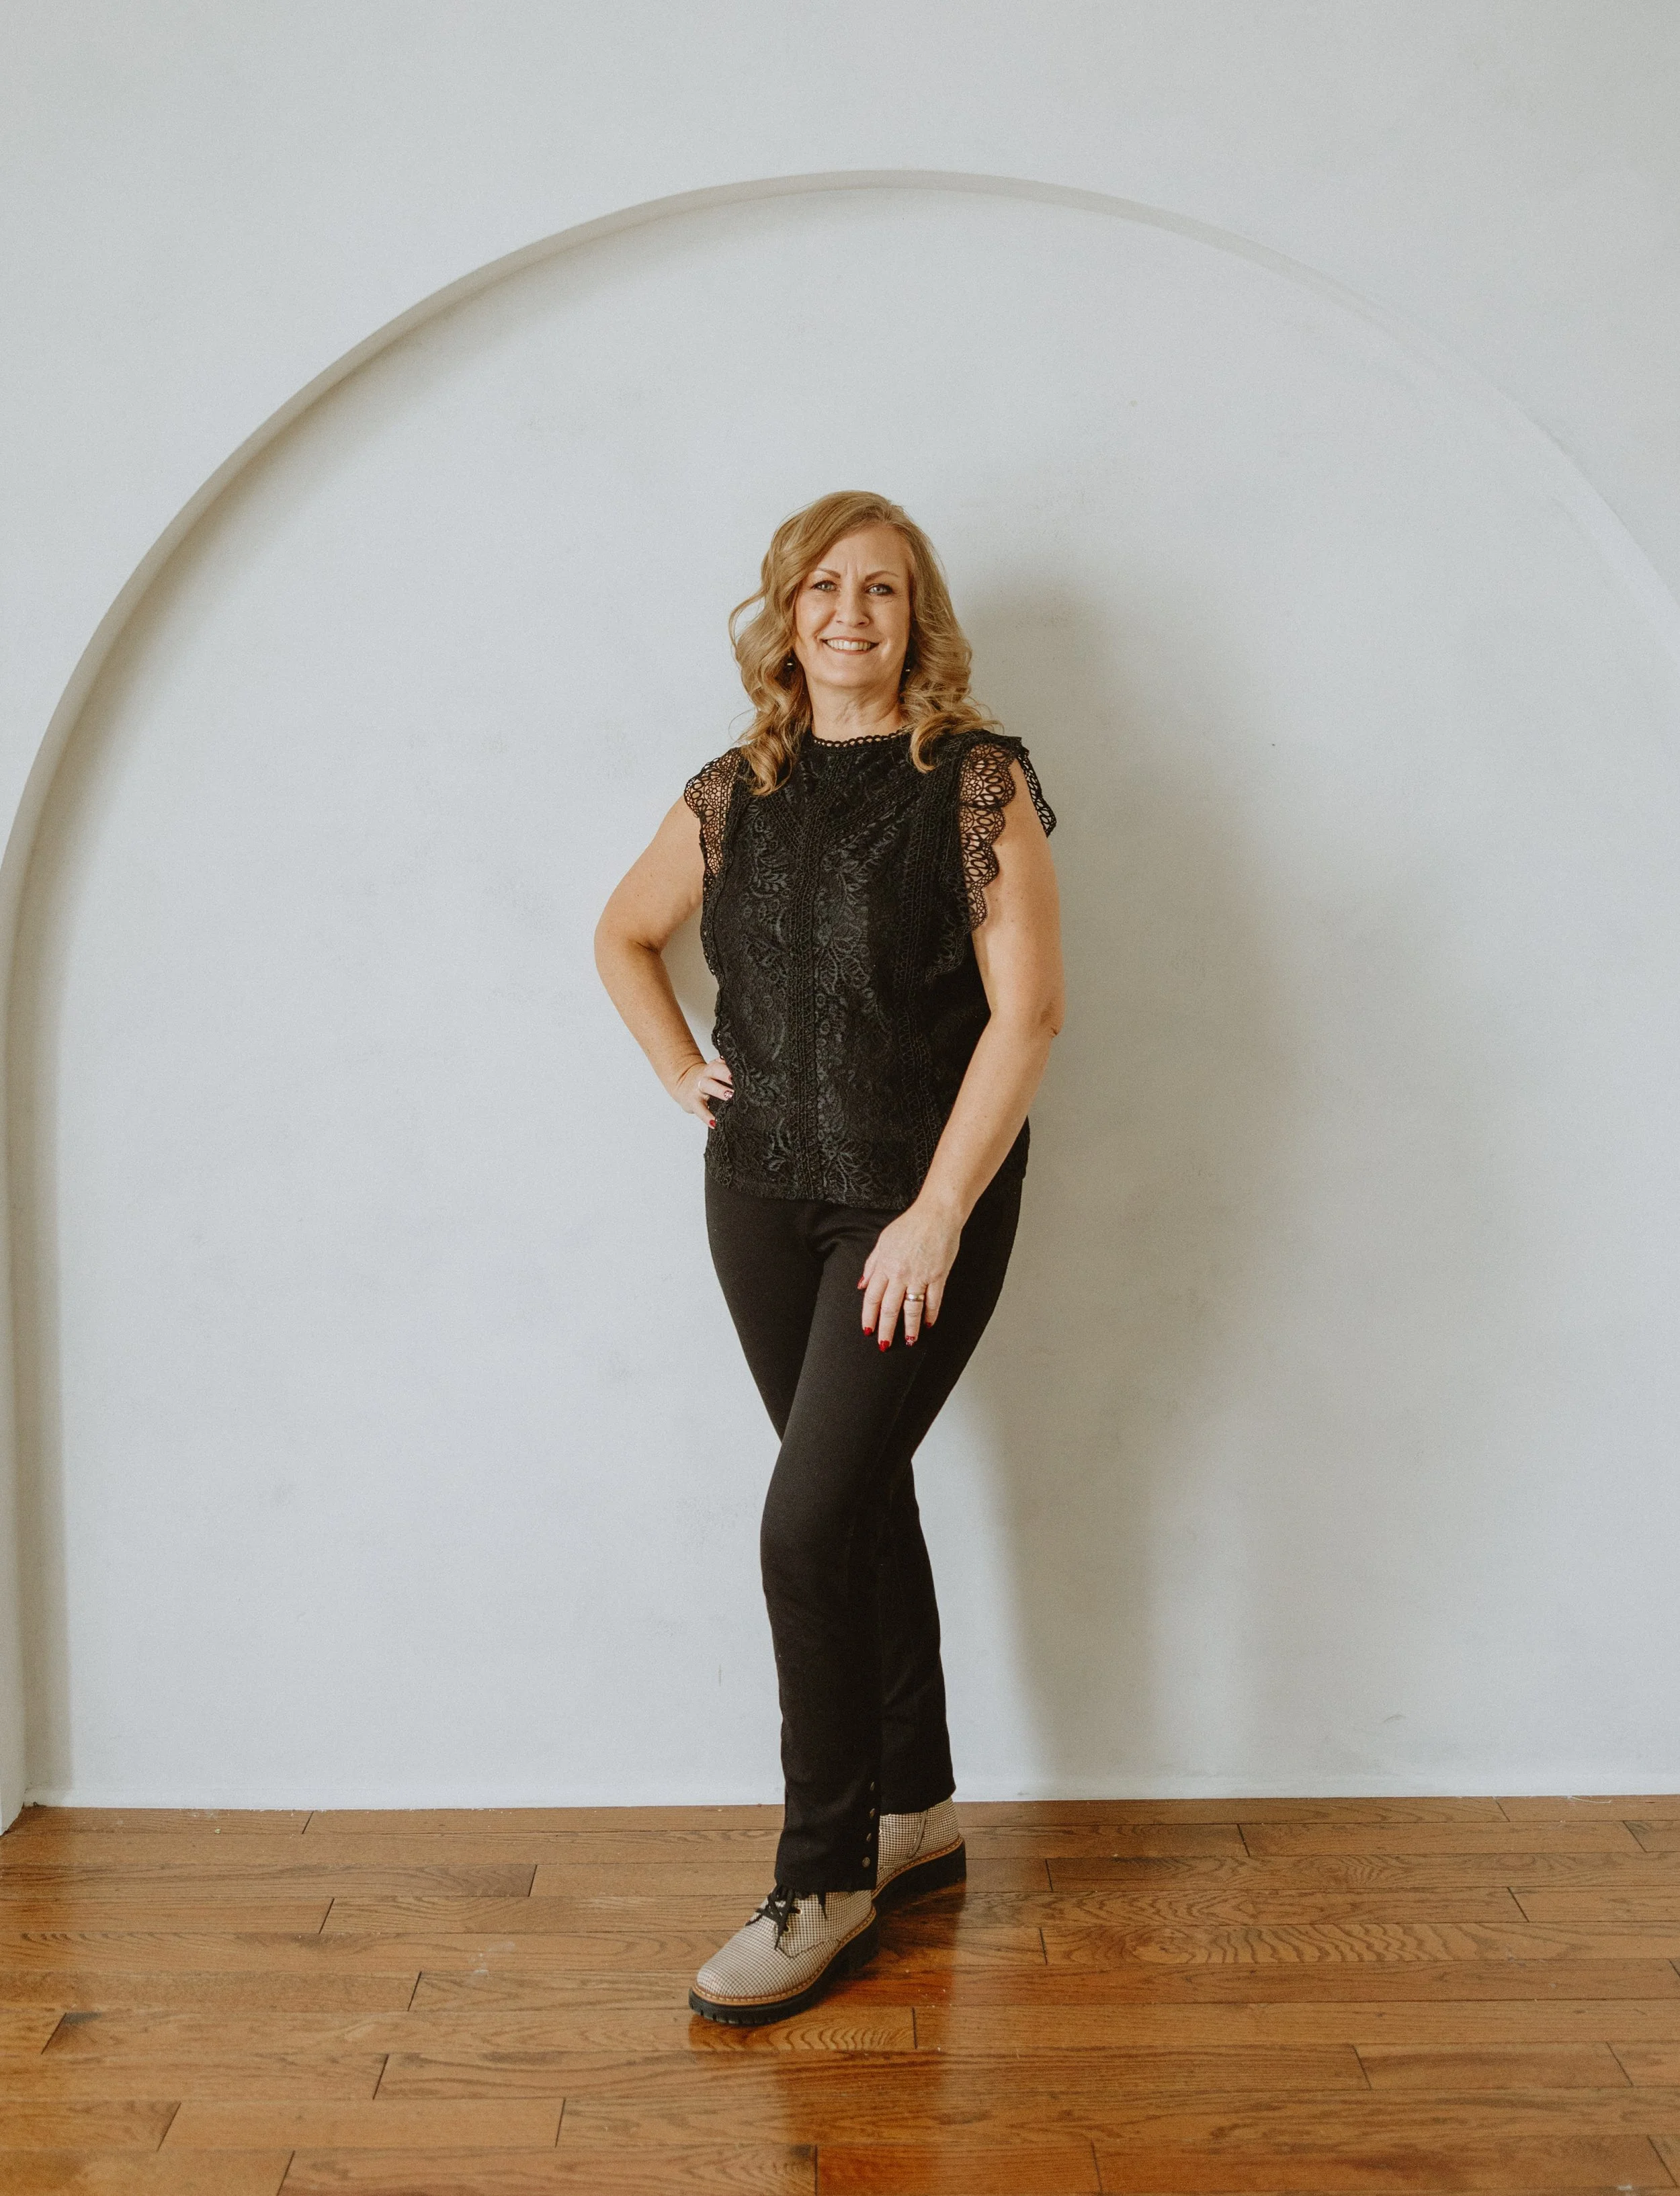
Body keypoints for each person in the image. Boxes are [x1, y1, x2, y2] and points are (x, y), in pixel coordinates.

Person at [594, 489, 1064, 2024]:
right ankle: (910, 1802)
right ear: (783, 611)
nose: (849, 610)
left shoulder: (972, 780)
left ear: (915, 618)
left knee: (802, 1526)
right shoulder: (735, 784)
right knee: (853, 1495)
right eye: (822, 585)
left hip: (914, 1200)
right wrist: (680, 1071)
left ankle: (823, 1873)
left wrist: (934, 1212)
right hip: (759, 1194)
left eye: (882, 587)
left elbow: (1028, 1012)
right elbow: (622, 932)